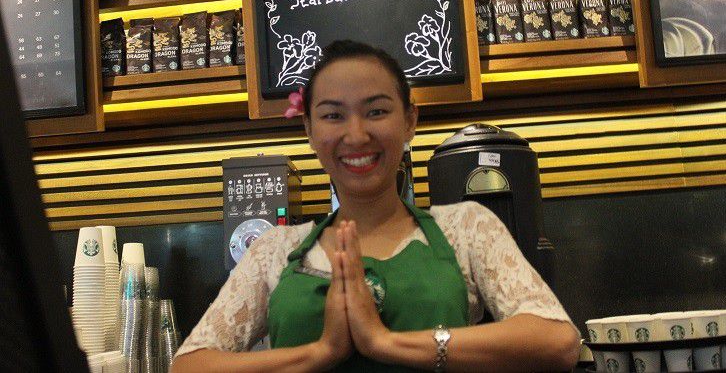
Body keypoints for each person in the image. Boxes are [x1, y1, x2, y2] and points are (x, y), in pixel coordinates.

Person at [172, 41, 580, 372]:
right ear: (309, 130)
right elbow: (190, 365)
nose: (356, 134)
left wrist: (384, 342)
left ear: (409, 121)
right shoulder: (274, 249)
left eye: (377, 111)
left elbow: (557, 341)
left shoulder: (466, 227)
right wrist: (321, 352)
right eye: (333, 115)